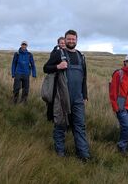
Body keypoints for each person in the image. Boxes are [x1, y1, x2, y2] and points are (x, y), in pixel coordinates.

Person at [43, 30, 90, 161]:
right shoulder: (59, 53)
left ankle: (83, 155)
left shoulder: (81, 56)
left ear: (77, 40)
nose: (71, 41)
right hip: (62, 97)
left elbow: (84, 77)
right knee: (60, 125)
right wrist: (58, 66)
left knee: (79, 126)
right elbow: (46, 68)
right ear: (65, 39)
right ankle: (60, 152)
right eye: (68, 39)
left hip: (78, 98)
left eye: (73, 39)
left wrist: (84, 94)